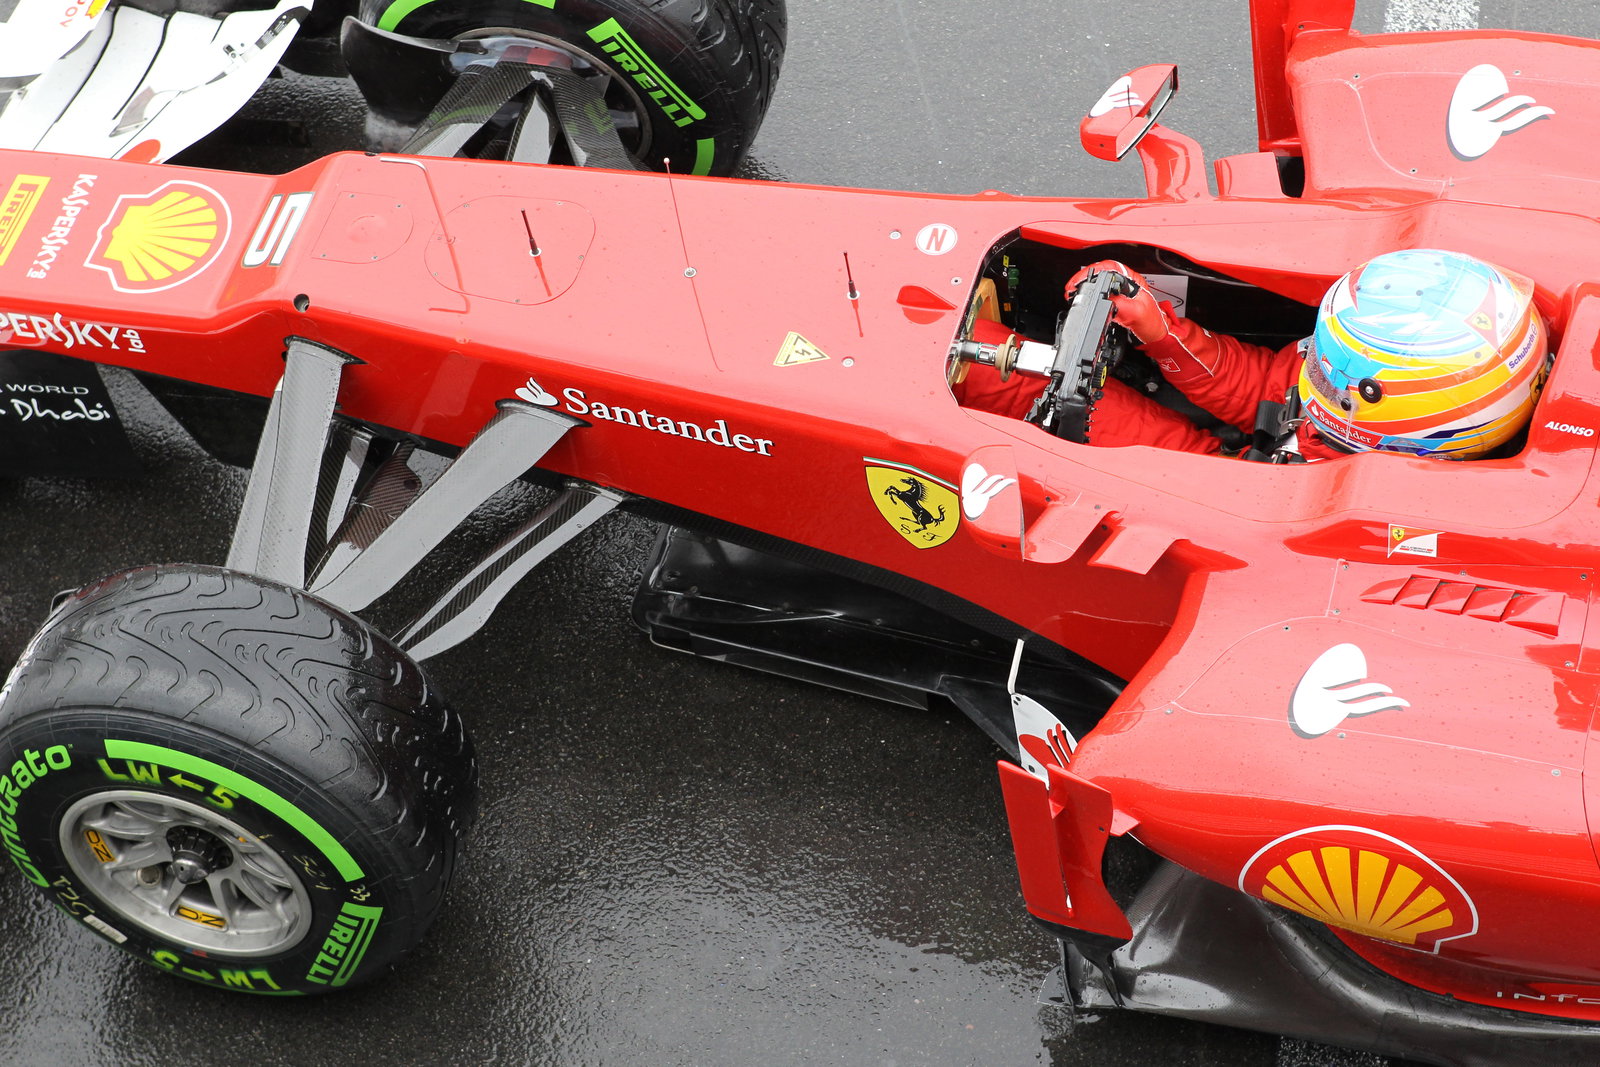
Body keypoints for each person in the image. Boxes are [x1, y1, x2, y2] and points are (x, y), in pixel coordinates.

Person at [954, 248, 1550, 459]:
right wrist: (1158, 327)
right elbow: (1271, 388)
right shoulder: (1383, 392)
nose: (1312, 369)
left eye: (1327, 371)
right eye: (1321, 356)